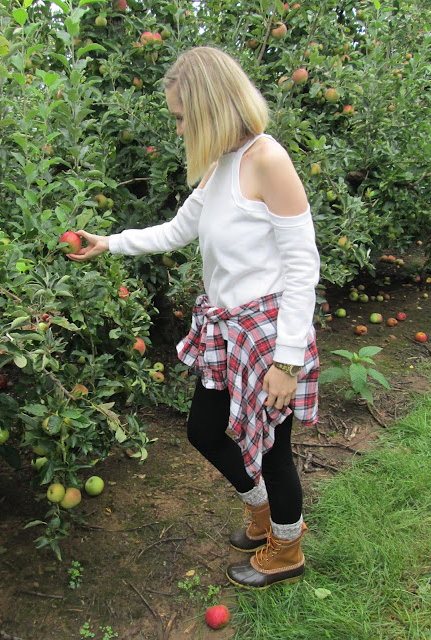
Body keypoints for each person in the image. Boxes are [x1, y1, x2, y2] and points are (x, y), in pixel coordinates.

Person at [68, 46, 320, 590]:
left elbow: (303, 267)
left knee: (274, 450)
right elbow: (177, 230)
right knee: (205, 429)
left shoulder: (266, 160)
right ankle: (260, 514)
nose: (179, 127)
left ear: (208, 107)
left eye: (182, 117)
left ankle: (287, 549)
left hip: (267, 336)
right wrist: (107, 243)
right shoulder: (220, 165)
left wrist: (289, 361)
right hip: (226, 330)